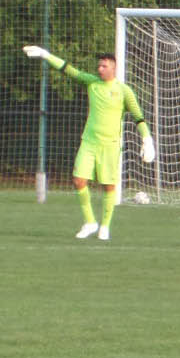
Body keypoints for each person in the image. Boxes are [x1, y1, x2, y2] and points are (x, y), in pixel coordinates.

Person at [23, 45, 153, 241]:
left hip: (110, 145)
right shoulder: (92, 83)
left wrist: (147, 139)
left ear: (113, 68)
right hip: (89, 142)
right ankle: (90, 222)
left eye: (104, 66)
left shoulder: (124, 91)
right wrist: (46, 55)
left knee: (108, 186)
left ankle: (105, 226)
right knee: (78, 180)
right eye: (99, 66)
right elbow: (68, 69)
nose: (100, 69)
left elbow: (139, 117)